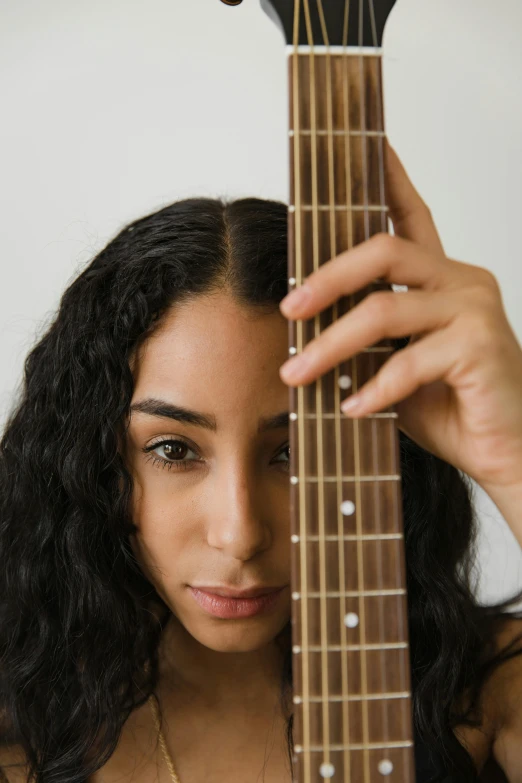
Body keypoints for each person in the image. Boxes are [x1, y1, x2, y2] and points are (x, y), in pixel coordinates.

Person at [1, 141, 522, 783]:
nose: (241, 534)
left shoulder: (489, 692)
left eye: (294, 453)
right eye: (174, 450)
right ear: (87, 459)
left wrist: (515, 462)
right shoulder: (19, 724)